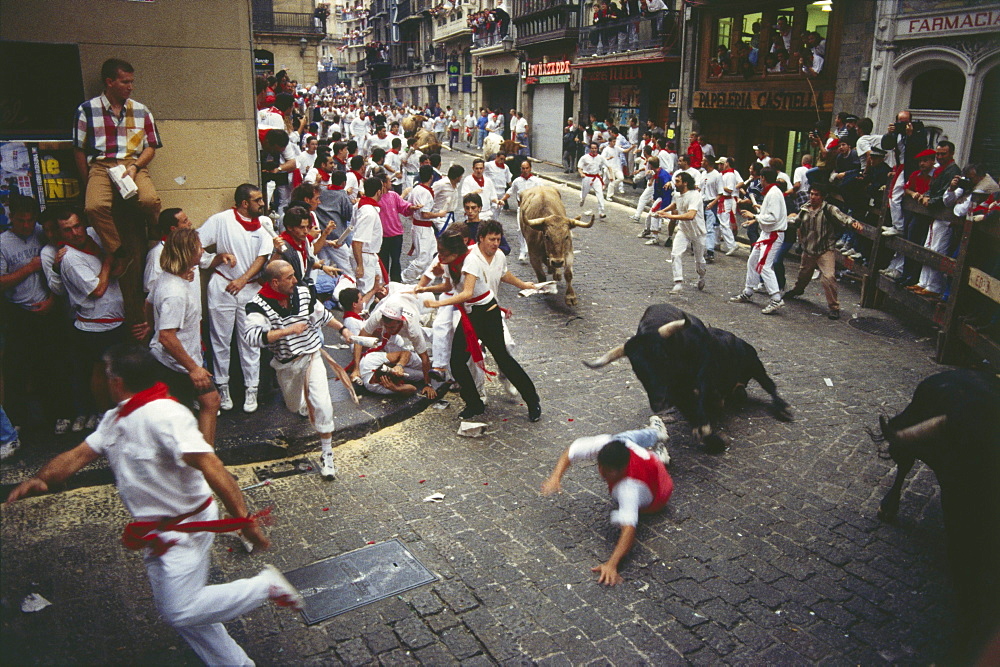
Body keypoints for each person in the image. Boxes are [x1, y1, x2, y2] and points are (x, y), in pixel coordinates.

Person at [5, 344, 305, 666]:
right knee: (180, 608)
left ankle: (265, 586)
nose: (100, 381)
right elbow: (80, 454)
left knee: (180, 609)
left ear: (116, 381)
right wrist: (43, 478)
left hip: (186, 526)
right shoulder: (116, 418)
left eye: (104, 374)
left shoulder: (166, 415)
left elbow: (212, 465)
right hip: (158, 530)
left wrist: (245, 522)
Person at [73, 58, 162, 329]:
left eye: (132, 81)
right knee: (94, 207)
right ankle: (118, 252)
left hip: (131, 164)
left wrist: (135, 167)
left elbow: (151, 146)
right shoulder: (87, 110)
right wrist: (89, 180)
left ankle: (154, 238)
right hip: (101, 165)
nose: (130, 87)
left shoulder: (141, 110)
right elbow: (78, 148)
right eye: (125, 81)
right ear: (109, 82)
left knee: (150, 200)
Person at [423, 220, 541, 421]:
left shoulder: (473, 260)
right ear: (480, 239)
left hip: (488, 312)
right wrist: (424, 289)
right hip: (471, 314)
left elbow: (468, 292)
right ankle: (474, 403)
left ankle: (532, 400)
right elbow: (448, 286)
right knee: (457, 362)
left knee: (503, 358)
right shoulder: (457, 259)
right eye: (491, 239)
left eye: (498, 239)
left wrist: (437, 305)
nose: (496, 244)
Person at [245, 260, 353, 480]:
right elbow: (252, 337)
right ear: (275, 282)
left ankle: (327, 454)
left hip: (312, 355)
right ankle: (304, 404)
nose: (295, 280)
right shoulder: (257, 305)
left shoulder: (302, 293)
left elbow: (322, 315)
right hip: (286, 364)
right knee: (294, 406)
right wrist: (287, 331)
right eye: (289, 277)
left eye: (294, 275)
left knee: (323, 403)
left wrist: (342, 329)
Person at [541, 416, 672, 586]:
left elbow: (629, 530)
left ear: (622, 468)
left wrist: (612, 564)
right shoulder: (608, 444)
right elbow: (570, 451)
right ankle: (655, 435)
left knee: (620, 516)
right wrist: (555, 477)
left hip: (659, 493)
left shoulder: (628, 488)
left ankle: (659, 454)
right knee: (622, 438)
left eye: (609, 472)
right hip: (644, 458)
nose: (602, 473)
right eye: (600, 466)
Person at [197, 184, 273, 413]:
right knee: (220, 340)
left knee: (251, 339)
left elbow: (263, 256)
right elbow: (194, 244)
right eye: (257, 200)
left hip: (250, 289)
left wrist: (243, 279)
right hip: (222, 287)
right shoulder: (221, 220)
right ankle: (222, 387)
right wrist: (216, 258)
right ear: (243, 203)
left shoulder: (264, 224)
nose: (262, 203)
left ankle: (252, 388)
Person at [0, 195, 72, 435]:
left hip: (49, 308)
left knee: (53, 364)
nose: (27, 226)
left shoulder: (43, 232)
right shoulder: (3, 243)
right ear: (11, 218)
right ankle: (18, 420)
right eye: (21, 221)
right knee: (16, 368)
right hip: (19, 312)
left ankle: (59, 415)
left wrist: (53, 300)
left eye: (30, 221)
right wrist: (29, 267)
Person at [148, 228, 222, 443]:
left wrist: (149, 327)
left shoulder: (171, 277)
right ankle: (203, 461)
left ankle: (205, 458)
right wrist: (194, 369)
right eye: (199, 248)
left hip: (180, 359)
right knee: (198, 409)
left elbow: (149, 303)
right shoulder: (175, 293)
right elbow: (167, 337)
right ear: (188, 252)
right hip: (176, 365)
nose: (202, 251)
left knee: (210, 401)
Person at [782, 184, 864, 320]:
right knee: (803, 275)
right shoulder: (804, 209)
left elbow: (843, 217)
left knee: (828, 277)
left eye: (817, 194)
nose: (813, 197)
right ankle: (797, 290)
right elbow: (796, 222)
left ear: (823, 197)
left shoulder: (829, 209)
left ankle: (834, 307)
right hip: (808, 249)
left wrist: (853, 223)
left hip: (825, 250)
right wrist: (781, 221)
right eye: (812, 194)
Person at [352, 293, 438, 399]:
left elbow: (423, 358)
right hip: (391, 300)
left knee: (423, 359)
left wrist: (427, 384)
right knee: (421, 375)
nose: (388, 330)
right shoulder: (378, 317)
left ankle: (436, 353)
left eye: (392, 327)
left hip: (413, 299)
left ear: (400, 322)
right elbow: (360, 339)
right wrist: (395, 388)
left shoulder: (411, 327)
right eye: (386, 326)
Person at [730, 166, 787, 315]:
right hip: (767, 233)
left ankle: (776, 298)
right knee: (753, 260)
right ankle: (748, 291)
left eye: (760, 178)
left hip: (773, 235)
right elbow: (770, 214)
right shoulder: (773, 192)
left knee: (764, 266)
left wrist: (754, 216)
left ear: (763, 178)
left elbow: (773, 217)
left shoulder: (773, 193)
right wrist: (758, 213)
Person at [656, 172, 707, 293]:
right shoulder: (677, 194)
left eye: (678, 181)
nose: (675, 183)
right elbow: (675, 204)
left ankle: (701, 276)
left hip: (698, 231)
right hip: (683, 230)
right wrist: (662, 211)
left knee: (699, 260)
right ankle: (678, 282)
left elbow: (691, 215)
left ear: (685, 183)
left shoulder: (695, 195)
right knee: (675, 253)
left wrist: (670, 216)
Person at [402, 165, 451, 283]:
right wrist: (439, 214)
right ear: (431, 177)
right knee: (423, 258)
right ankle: (405, 277)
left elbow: (409, 207)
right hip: (422, 227)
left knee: (432, 253)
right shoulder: (424, 192)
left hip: (424, 227)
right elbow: (425, 214)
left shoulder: (417, 189)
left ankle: (425, 279)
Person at [500, 160, 545, 261]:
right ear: (521, 169)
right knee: (520, 229)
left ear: (530, 168)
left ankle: (536, 250)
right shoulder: (517, 181)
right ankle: (523, 250)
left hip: (533, 209)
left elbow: (543, 192)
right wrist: (502, 200)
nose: (525, 170)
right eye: (523, 168)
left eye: (527, 168)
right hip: (521, 208)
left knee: (535, 230)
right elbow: (510, 191)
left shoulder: (536, 181)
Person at [144, 208, 193, 295]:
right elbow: (150, 287)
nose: (190, 223)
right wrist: (180, 278)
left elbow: (207, 261)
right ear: (173, 228)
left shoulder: (190, 248)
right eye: (185, 221)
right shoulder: (157, 253)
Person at [351, 176, 387, 293]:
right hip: (364, 256)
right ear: (378, 192)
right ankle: (362, 311)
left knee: (380, 284)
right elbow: (357, 240)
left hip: (370, 254)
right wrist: (360, 265)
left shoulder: (361, 205)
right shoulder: (369, 213)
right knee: (366, 291)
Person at [578, 142, 610, 219]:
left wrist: (611, 176)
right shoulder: (584, 157)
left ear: (597, 149)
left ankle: (601, 212)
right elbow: (579, 168)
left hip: (596, 178)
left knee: (600, 194)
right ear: (590, 149)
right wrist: (581, 173)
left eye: (595, 148)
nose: (594, 150)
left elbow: (609, 166)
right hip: (587, 177)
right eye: (592, 148)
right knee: (584, 193)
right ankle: (582, 199)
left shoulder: (600, 157)